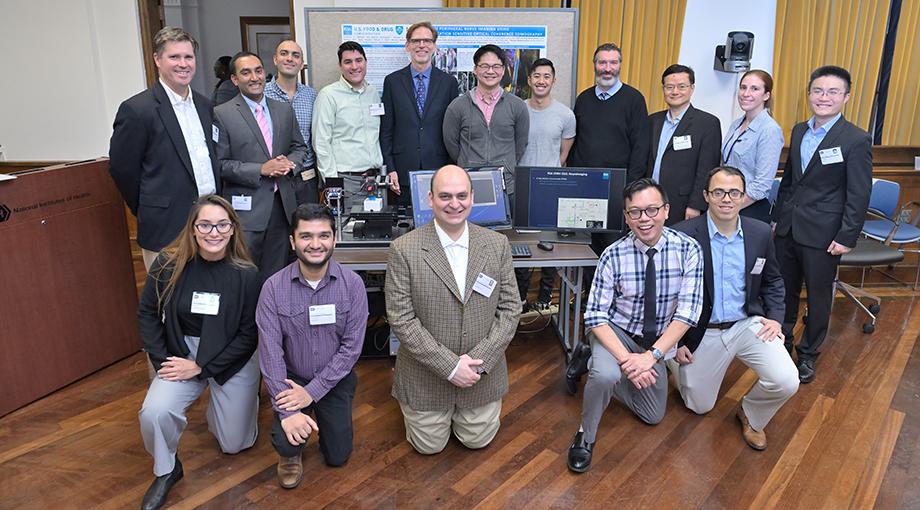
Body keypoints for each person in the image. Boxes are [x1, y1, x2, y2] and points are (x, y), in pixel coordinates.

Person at [567, 178, 702, 473]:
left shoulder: (689, 250)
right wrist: (629, 360)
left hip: (654, 343)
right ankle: (585, 435)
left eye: (652, 210)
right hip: (616, 333)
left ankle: (590, 361)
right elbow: (596, 316)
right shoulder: (613, 255)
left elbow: (688, 314)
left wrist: (649, 358)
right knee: (604, 377)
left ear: (666, 210)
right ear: (626, 217)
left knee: (652, 415)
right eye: (635, 212)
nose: (644, 219)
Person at [385, 165, 521, 455]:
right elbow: (401, 318)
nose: (454, 204)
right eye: (445, 196)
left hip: (479, 374)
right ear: (430, 199)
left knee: (477, 440)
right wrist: (449, 367)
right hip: (426, 376)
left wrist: (478, 362)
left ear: (473, 197)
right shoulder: (403, 249)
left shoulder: (497, 245)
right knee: (428, 447)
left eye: (461, 195)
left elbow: (510, 310)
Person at [137, 195, 260, 510]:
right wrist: (164, 361)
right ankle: (167, 469)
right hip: (181, 353)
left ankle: (235, 402)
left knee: (234, 445)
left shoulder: (246, 274)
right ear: (192, 229)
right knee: (155, 412)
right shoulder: (168, 264)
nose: (213, 232)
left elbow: (249, 335)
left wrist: (202, 368)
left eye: (222, 224)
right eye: (205, 224)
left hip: (232, 357)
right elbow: (148, 314)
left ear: (232, 229)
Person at [673, 166, 798, 451]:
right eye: (718, 192)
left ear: (743, 197)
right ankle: (673, 364)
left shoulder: (760, 232)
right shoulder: (682, 235)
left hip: (746, 323)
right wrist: (677, 342)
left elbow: (774, 279)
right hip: (703, 331)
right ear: (706, 196)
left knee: (787, 380)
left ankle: (751, 414)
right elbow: (670, 294)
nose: (726, 198)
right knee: (699, 406)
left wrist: (776, 319)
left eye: (734, 192)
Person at [256, 203, 368, 488]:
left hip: (335, 379)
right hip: (291, 380)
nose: (315, 244)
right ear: (293, 241)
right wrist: (289, 411)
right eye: (306, 236)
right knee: (287, 438)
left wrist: (313, 392)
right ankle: (290, 454)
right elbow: (271, 355)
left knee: (338, 456)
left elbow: (351, 349)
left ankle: (320, 418)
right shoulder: (272, 288)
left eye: (323, 235)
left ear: (334, 238)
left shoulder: (353, 284)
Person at [773, 65, 872, 383]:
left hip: (825, 234)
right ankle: (782, 343)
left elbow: (859, 193)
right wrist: (777, 217)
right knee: (784, 292)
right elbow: (789, 181)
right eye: (818, 90)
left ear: (846, 96)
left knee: (818, 298)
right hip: (788, 228)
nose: (824, 97)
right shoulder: (800, 129)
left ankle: (808, 354)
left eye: (832, 92)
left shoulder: (855, 139)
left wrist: (846, 236)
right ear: (809, 94)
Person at [109, 27, 220, 271]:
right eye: (175, 57)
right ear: (158, 60)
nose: (183, 64)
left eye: (188, 57)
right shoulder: (137, 109)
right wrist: (150, 206)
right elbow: (122, 170)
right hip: (165, 224)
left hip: (209, 223)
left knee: (207, 298)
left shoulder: (204, 105)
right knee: (167, 300)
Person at [214, 51, 307, 283]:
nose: (254, 77)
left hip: (281, 207)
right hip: (246, 212)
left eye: (258, 71)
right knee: (244, 277)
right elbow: (220, 164)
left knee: (277, 276)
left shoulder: (283, 109)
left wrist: (290, 163)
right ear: (235, 79)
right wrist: (260, 169)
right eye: (245, 72)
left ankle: (272, 319)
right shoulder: (221, 114)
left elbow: (299, 147)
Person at [380, 21, 460, 206]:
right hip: (403, 172)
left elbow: (454, 131)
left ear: (434, 46)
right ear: (407, 45)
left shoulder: (448, 83)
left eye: (427, 40)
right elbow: (386, 130)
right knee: (405, 228)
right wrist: (390, 168)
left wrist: (450, 168)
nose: (421, 45)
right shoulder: (392, 82)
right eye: (416, 41)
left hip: (439, 170)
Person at [518, 57, 576, 310]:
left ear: (553, 80)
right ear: (529, 80)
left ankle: (544, 298)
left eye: (547, 76)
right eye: (537, 76)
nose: (541, 81)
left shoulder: (566, 115)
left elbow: (563, 156)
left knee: (549, 245)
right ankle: (520, 297)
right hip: (520, 187)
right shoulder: (518, 109)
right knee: (520, 245)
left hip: (551, 188)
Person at [442, 44, 529, 197]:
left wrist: (507, 165)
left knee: (507, 222)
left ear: (503, 70)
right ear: (475, 70)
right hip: (468, 185)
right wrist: (468, 163)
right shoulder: (457, 106)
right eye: (484, 66)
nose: (490, 71)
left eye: (496, 66)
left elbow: (520, 145)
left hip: (506, 186)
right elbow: (451, 144)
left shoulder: (517, 106)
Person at [313, 41, 383, 214]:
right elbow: (321, 142)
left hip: (375, 180)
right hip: (346, 182)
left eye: (359, 60)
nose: (354, 66)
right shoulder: (328, 95)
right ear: (340, 65)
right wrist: (333, 184)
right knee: (348, 234)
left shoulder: (373, 93)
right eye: (348, 62)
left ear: (366, 62)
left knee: (375, 233)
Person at [647, 64, 721, 225]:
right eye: (669, 87)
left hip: (683, 204)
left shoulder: (707, 124)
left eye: (681, 86)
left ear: (692, 88)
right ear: (663, 89)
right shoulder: (652, 121)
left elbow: (707, 168)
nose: (675, 92)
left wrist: (696, 205)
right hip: (650, 201)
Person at [721, 69, 784, 223]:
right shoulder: (737, 124)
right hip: (729, 203)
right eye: (743, 87)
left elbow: (761, 185)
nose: (746, 93)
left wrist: (730, 208)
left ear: (766, 95)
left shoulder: (769, 130)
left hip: (749, 209)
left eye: (754, 89)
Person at [264, 40, 320, 206]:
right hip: (272, 176)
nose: (290, 58)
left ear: (301, 64)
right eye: (284, 53)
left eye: (295, 55)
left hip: (306, 177)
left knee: (308, 228)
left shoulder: (312, 96)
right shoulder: (262, 95)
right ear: (275, 59)